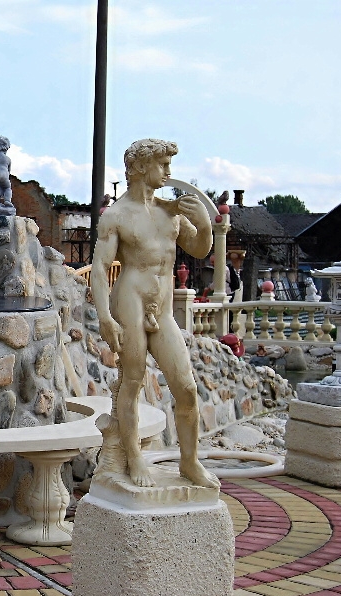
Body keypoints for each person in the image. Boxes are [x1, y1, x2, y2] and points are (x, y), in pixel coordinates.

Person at [91, 138, 217, 489]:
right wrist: (105, 317)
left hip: (162, 309)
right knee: (132, 381)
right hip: (130, 299)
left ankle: (189, 462)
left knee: (186, 387)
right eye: (163, 165)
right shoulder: (117, 215)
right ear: (141, 167)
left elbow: (198, 248)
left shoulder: (169, 211)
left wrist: (205, 225)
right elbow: (99, 269)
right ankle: (134, 458)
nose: (169, 171)